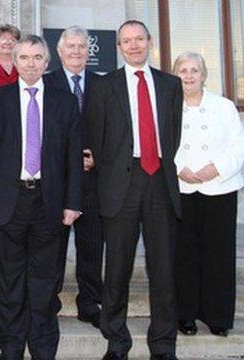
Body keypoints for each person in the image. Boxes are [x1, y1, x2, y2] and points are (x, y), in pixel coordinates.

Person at [0, 34, 83, 360]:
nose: (31, 63)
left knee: (45, 285)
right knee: (9, 285)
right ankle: (10, 350)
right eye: (24, 57)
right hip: (8, 203)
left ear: (47, 62)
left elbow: (72, 156)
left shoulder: (64, 101)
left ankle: (43, 351)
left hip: (49, 203)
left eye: (37, 57)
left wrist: (73, 202)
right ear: (15, 60)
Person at [86, 20, 183, 360]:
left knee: (163, 269)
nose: (133, 46)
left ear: (150, 42)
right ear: (119, 47)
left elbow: (174, 135)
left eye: (139, 39)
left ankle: (163, 345)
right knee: (117, 269)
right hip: (120, 186)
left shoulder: (171, 85)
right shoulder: (102, 87)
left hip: (160, 182)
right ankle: (116, 342)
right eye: (126, 41)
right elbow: (95, 138)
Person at [172, 52, 244, 338]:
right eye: (183, 71)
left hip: (219, 188)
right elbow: (161, 143)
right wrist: (179, 169)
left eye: (194, 70)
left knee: (219, 254)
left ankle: (218, 317)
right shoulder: (169, 105)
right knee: (184, 254)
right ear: (175, 74)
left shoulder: (224, 106)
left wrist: (215, 168)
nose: (188, 76)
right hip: (182, 187)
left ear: (204, 75)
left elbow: (238, 146)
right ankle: (186, 315)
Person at [43, 25, 103, 329]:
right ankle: (49, 300)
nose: (77, 51)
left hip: (93, 181)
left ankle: (90, 302)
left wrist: (98, 158)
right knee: (52, 246)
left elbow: (113, 131)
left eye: (82, 47)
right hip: (57, 182)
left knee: (91, 245)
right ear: (60, 50)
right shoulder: (45, 83)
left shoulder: (104, 85)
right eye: (71, 46)